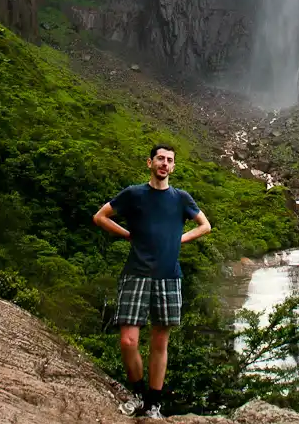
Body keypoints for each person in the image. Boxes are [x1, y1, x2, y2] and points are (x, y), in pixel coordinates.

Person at [93, 144, 211, 419]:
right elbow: (100, 217)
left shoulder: (181, 198)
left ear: (173, 167)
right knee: (128, 341)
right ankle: (138, 394)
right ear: (150, 163)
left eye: (169, 161)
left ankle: (154, 404)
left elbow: (205, 225)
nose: (165, 164)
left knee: (160, 343)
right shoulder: (134, 194)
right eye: (160, 159)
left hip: (169, 276)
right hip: (136, 273)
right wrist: (127, 235)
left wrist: (180, 239)